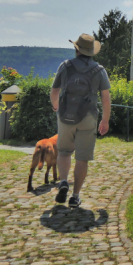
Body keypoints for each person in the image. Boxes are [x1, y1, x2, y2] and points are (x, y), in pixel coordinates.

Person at [50, 33, 111, 208]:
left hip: (65, 115)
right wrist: (105, 120)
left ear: (76, 49)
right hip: (88, 117)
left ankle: (63, 181)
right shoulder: (99, 70)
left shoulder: (65, 66)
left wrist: (56, 107)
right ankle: (75, 196)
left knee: (64, 152)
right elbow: (105, 98)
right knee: (82, 158)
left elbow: (55, 91)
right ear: (91, 51)